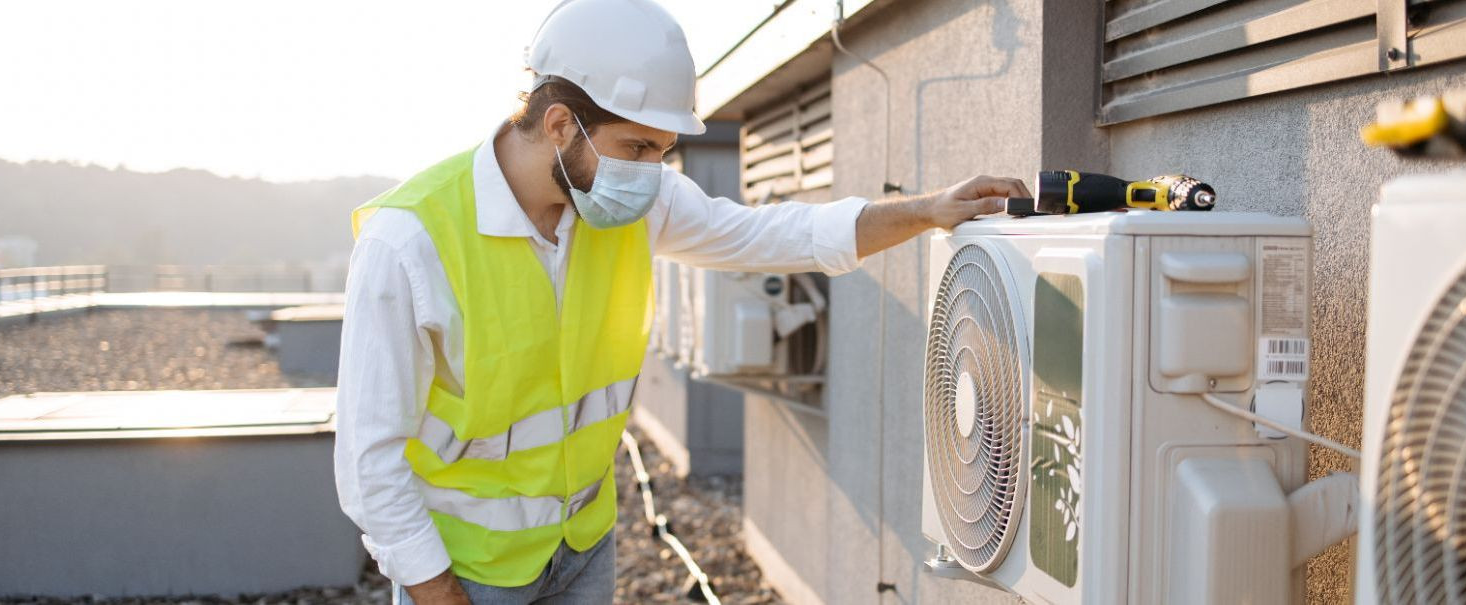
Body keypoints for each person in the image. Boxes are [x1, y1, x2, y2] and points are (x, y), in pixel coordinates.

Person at [333, 0, 1029, 603]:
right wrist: (436, 591)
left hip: (582, 545)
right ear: (557, 124)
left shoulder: (633, 201)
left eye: (662, 151)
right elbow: (369, 461)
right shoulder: (409, 242)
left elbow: (773, 234)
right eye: (635, 146)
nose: (649, 174)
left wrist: (929, 210)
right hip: (469, 569)